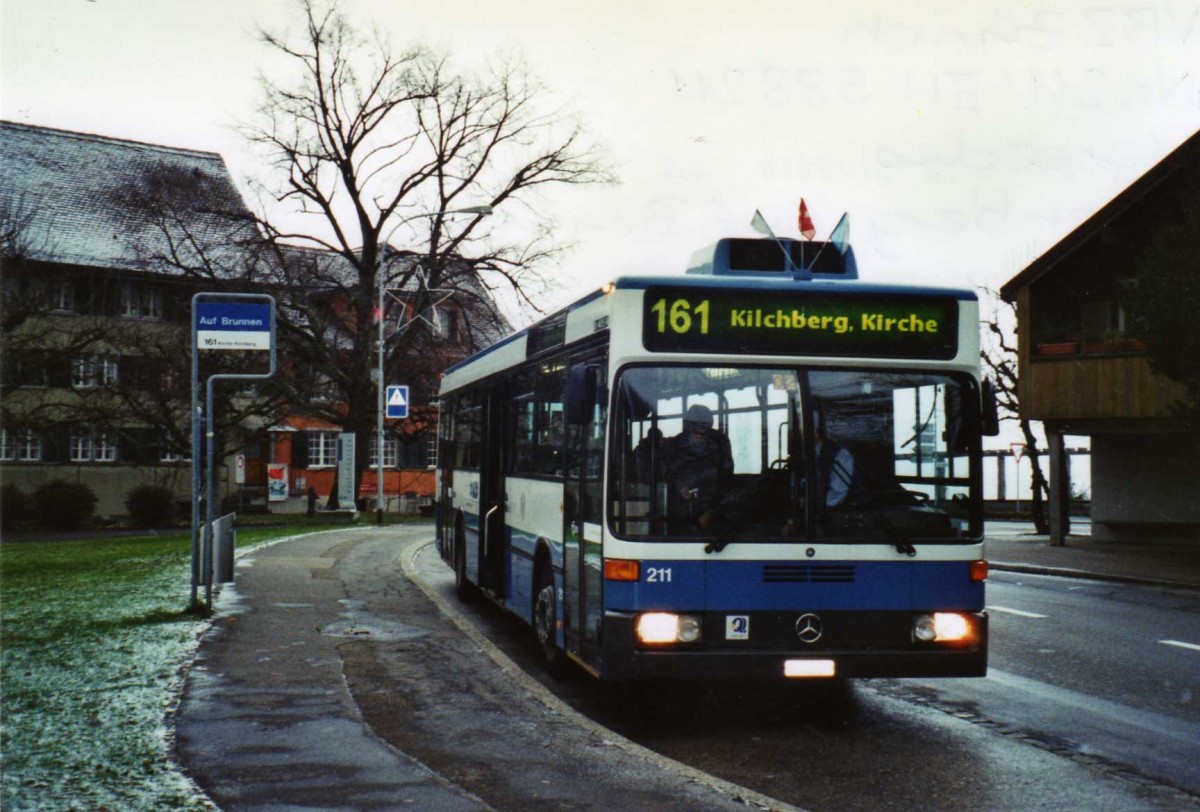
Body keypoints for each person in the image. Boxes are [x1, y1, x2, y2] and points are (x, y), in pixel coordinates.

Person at [661, 404, 734, 531]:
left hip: (714, 505)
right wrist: (681, 488)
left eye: (704, 431)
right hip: (680, 507)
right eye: (695, 431)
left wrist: (711, 511)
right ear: (688, 428)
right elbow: (667, 473)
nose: (699, 435)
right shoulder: (674, 445)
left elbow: (726, 477)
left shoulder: (720, 441)